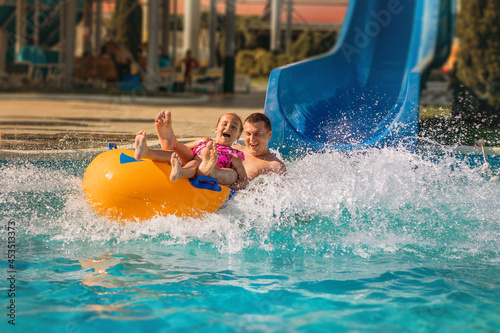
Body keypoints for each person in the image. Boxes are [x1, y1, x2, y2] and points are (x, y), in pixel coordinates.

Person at [154, 111, 286, 190]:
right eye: (248, 133)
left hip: (225, 193)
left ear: (269, 135)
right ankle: (171, 143)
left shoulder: (274, 165)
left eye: (257, 133)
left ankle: (207, 169)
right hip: (199, 174)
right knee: (194, 154)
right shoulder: (232, 148)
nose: (252, 139)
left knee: (229, 173)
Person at [134, 112, 246, 186]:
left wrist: (233, 189)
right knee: (175, 154)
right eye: (224, 124)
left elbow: (243, 178)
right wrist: (175, 151)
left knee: (231, 173)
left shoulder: (234, 154)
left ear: (238, 136)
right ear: (216, 129)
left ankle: (204, 168)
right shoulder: (205, 141)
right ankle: (147, 152)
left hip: (214, 170)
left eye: (233, 127)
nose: (228, 128)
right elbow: (183, 149)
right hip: (193, 162)